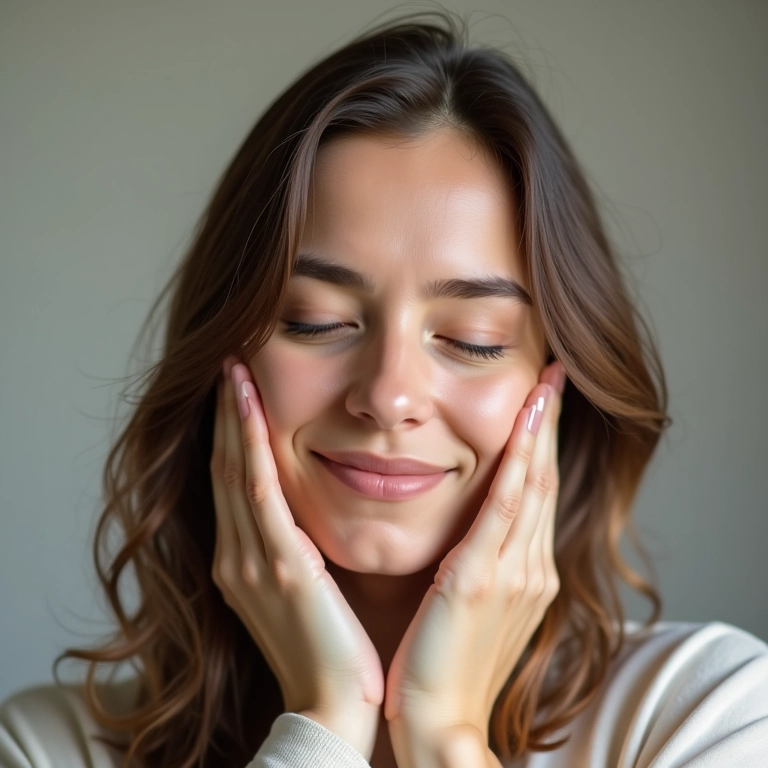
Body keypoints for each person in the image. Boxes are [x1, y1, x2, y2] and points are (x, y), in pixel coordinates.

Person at [1, 9, 766, 768]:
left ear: (559, 383)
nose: (390, 395)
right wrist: (324, 719)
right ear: (222, 353)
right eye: (316, 321)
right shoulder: (47, 748)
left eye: (475, 339)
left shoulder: (712, 714)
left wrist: (445, 737)